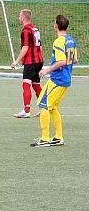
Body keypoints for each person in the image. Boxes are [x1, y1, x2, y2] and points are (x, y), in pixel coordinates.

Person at [31, 15, 78, 147]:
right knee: (53, 107)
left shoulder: (58, 41)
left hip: (57, 80)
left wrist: (47, 70)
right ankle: (58, 137)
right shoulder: (71, 40)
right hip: (66, 79)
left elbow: (62, 61)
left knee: (44, 105)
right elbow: (74, 60)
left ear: (56, 25)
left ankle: (45, 139)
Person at [10, 9, 44, 118]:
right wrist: (40, 60)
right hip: (39, 61)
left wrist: (16, 61)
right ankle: (44, 109)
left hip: (31, 62)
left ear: (24, 17)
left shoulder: (26, 30)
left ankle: (26, 110)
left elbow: (25, 47)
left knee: (26, 84)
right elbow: (40, 47)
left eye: (19, 16)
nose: (18, 18)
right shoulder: (35, 29)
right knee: (36, 85)